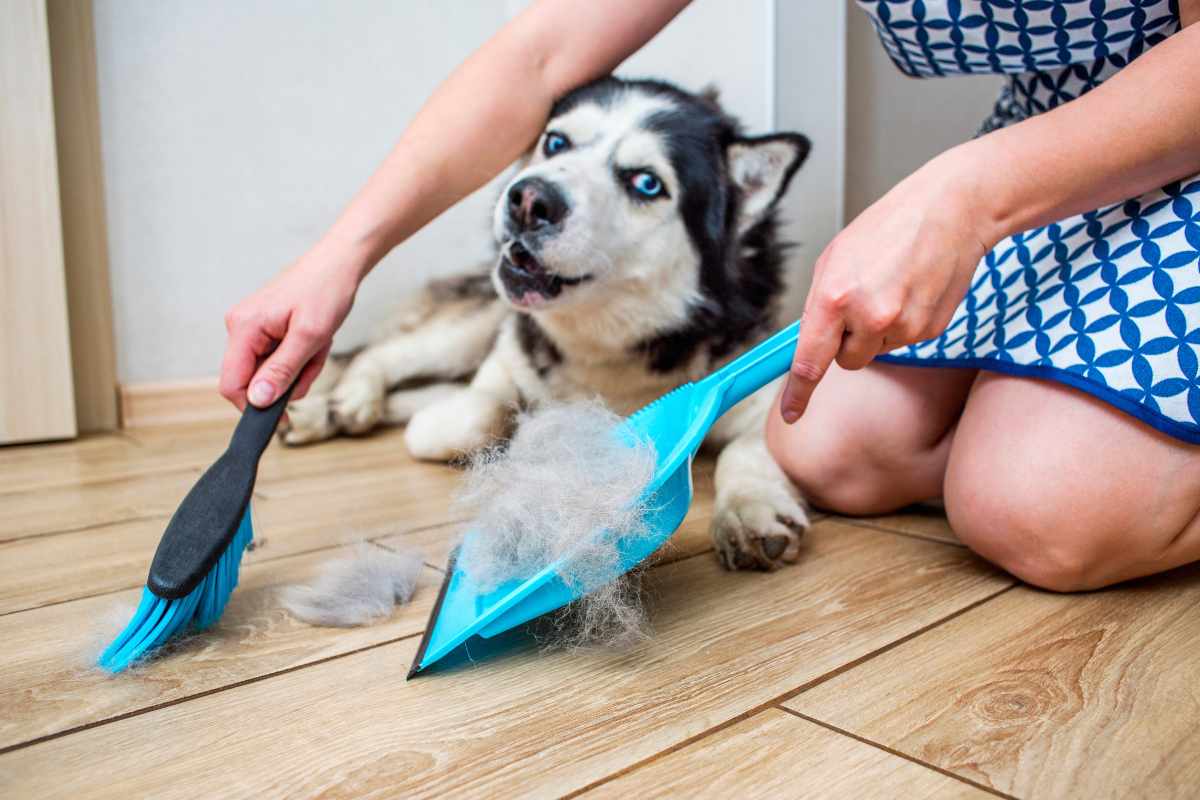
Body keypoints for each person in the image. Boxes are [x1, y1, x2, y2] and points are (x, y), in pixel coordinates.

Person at [220, 1, 1200, 592]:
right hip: (1046, 145)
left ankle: (1080, 449)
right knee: (829, 450)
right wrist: (342, 251)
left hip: (1162, 142)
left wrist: (968, 193)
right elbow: (540, 57)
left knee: (1041, 510)